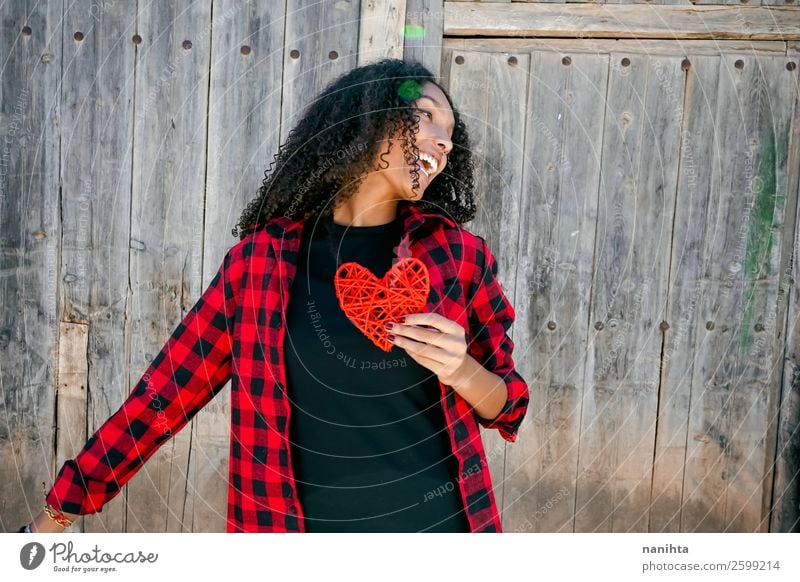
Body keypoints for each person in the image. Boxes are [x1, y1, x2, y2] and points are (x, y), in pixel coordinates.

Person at [19, 58, 529, 533]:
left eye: (451, 132)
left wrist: (461, 369)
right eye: (426, 116)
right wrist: (51, 522)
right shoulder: (258, 264)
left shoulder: (458, 257)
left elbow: (507, 404)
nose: (445, 141)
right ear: (367, 119)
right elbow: (161, 400)